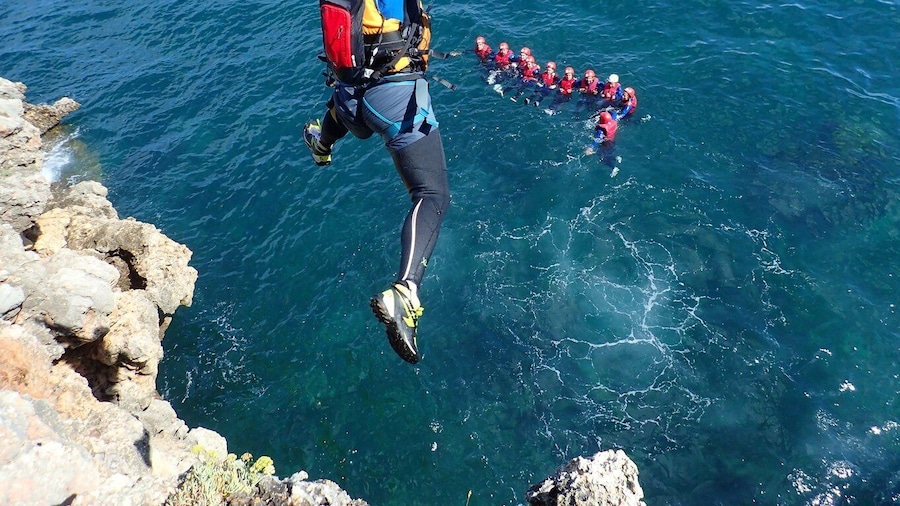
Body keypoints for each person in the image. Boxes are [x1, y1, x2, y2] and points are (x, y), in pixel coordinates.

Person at [303, 0, 450, 364]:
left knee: (346, 111)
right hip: (394, 97)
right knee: (432, 195)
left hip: (349, 98)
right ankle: (406, 290)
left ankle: (322, 142)